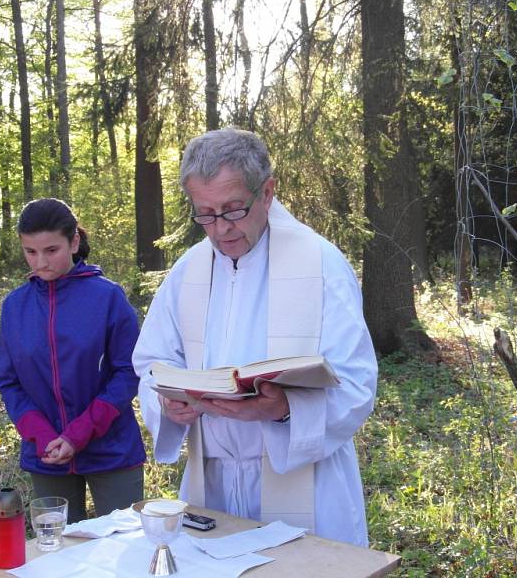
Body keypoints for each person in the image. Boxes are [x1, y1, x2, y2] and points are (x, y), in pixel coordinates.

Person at [132, 128, 377, 546]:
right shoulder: (187, 272)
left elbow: (356, 386)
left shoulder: (320, 265)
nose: (220, 229)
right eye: (205, 213)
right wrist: (169, 406)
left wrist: (283, 410)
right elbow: (151, 364)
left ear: (266, 193)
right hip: (214, 488)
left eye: (232, 210)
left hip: (305, 486)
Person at [0, 198, 145, 523]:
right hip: (47, 455)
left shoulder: (108, 297)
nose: (41, 262)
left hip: (112, 451)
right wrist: (43, 435)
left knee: (125, 548)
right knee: (59, 551)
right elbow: (10, 383)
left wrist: (78, 434)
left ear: (74, 241)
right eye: (30, 252)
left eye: (51, 250)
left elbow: (127, 373)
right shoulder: (15, 307)